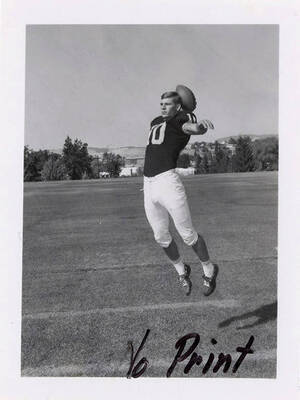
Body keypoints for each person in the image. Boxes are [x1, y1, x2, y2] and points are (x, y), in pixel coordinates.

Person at [143, 90, 218, 296]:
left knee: (187, 234)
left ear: (178, 107)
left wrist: (200, 127)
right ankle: (182, 271)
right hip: (148, 184)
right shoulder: (156, 121)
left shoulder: (180, 120)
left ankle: (209, 269)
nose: (163, 107)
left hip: (167, 182)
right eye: (161, 103)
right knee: (161, 236)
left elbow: (190, 127)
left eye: (167, 104)